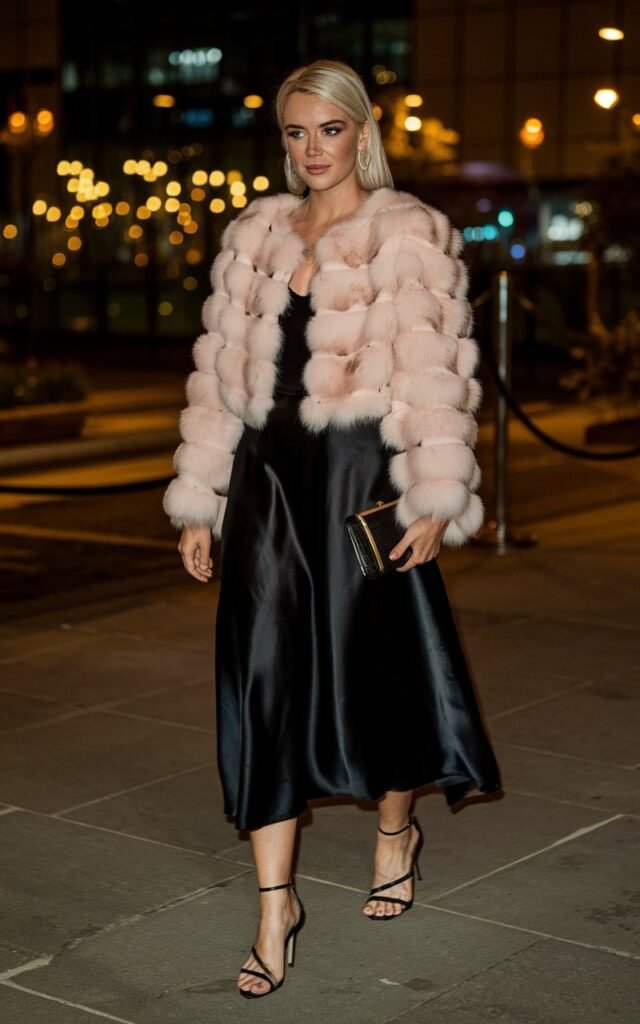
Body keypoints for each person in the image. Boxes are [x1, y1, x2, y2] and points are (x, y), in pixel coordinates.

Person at [163, 59, 501, 999]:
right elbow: (218, 378)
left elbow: (435, 378)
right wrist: (201, 497)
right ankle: (275, 909)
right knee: (261, 673)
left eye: (330, 129)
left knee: (374, 667)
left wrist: (433, 498)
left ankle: (395, 829)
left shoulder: (406, 232)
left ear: (362, 130)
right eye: (296, 132)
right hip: (266, 485)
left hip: (360, 483)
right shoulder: (255, 234)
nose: (313, 149)